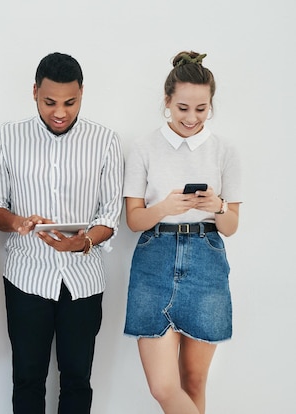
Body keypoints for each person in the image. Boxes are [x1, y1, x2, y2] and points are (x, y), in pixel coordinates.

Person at [0, 52, 124, 413]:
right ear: (34, 92)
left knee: (77, 378)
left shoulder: (106, 141)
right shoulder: (7, 137)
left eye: (70, 102)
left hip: (83, 279)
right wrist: (17, 222)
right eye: (49, 102)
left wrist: (85, 240)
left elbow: (110, 215)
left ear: (82, 94)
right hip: (26, 276)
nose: (60, 112)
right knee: (27, 377)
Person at [123, 51, 242, 414]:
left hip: (206, 259)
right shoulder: (144, 147)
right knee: (163, 387)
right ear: (167, 101)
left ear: (210, 106)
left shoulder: (224, 150)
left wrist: (218, 206)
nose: (192, 118)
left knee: (193, 381)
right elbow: (134, 220)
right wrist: (165, 208)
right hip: (153, 259)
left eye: (201, 109)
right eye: (183, 108)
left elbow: (232, 226)